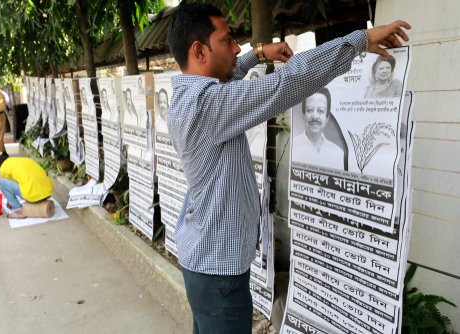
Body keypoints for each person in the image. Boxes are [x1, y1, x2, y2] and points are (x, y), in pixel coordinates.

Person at [166, 3, 410, 333]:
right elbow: (290, 82)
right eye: (227, 41)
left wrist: (259, 54)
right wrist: (361, 40)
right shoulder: (209, 105)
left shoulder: (191, 96)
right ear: (199, 50)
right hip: (218, 273)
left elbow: (230, 77)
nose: (237, 48)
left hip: (204, 259)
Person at [292, 87, 344, 170]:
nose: (314, 116)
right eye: (309, 110)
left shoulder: (338, 153)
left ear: (327, 118)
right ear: (303, 115)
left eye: (320, 111)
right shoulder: (292, 147)